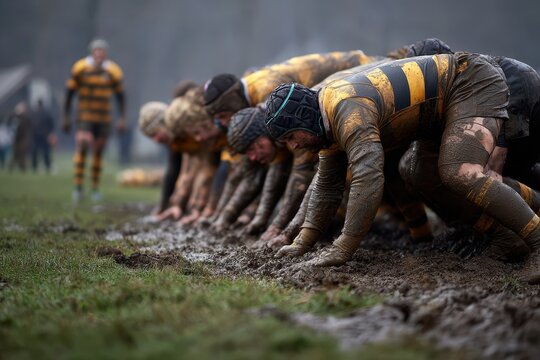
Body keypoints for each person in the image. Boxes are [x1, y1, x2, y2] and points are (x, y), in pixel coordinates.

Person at [264, 53, 540, 284]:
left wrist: (343, 246)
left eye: (290, 137)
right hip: (439, 110)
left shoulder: (347, 109)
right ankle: (507, 236)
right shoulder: (325, 123)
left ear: (303, 119)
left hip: (470, 81)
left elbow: (367, 179)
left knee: (460, 172)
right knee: (419, 174)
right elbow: (326, 187)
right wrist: (302, 243)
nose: (293, 147)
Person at [227, 107, 318, 246]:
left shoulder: (293, 131)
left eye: (251, 150)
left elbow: (300, 178)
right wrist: (261, 218)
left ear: (263, 138)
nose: (251, 158)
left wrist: (279, 229)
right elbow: (274, 175)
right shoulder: (273, 136)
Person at [63, 38, 126, 202]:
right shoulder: (80, 68)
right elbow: (69, 93)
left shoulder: (113, 71)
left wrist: (122, 118)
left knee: (98, 151)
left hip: (104, 116)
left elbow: (121, 97)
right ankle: (78, 187)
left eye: (102, 51)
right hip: (85, 114)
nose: (99, 54)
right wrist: (65, 116)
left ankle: (95, 188)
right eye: (97, 51)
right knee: (83, 145)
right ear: (92, 52)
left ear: (106, 53)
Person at [30, 99, 56, 173]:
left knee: (38, 151)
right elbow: (51, 125)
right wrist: (50, 133)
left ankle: (35, 166)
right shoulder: (46, 114)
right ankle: (46, 165)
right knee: (44, 151)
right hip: (43, 135)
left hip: (38, 135)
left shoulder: (34, 114)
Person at [9, 102, 32, 172]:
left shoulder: (26, 118)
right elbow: (9, 126)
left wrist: (28, 138)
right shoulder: (13, 117)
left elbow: (29, 128)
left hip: (23, 138)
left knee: (22, 153)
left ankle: (22, 168)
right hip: (15, 138)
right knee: (15, 153)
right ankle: (11, 167)